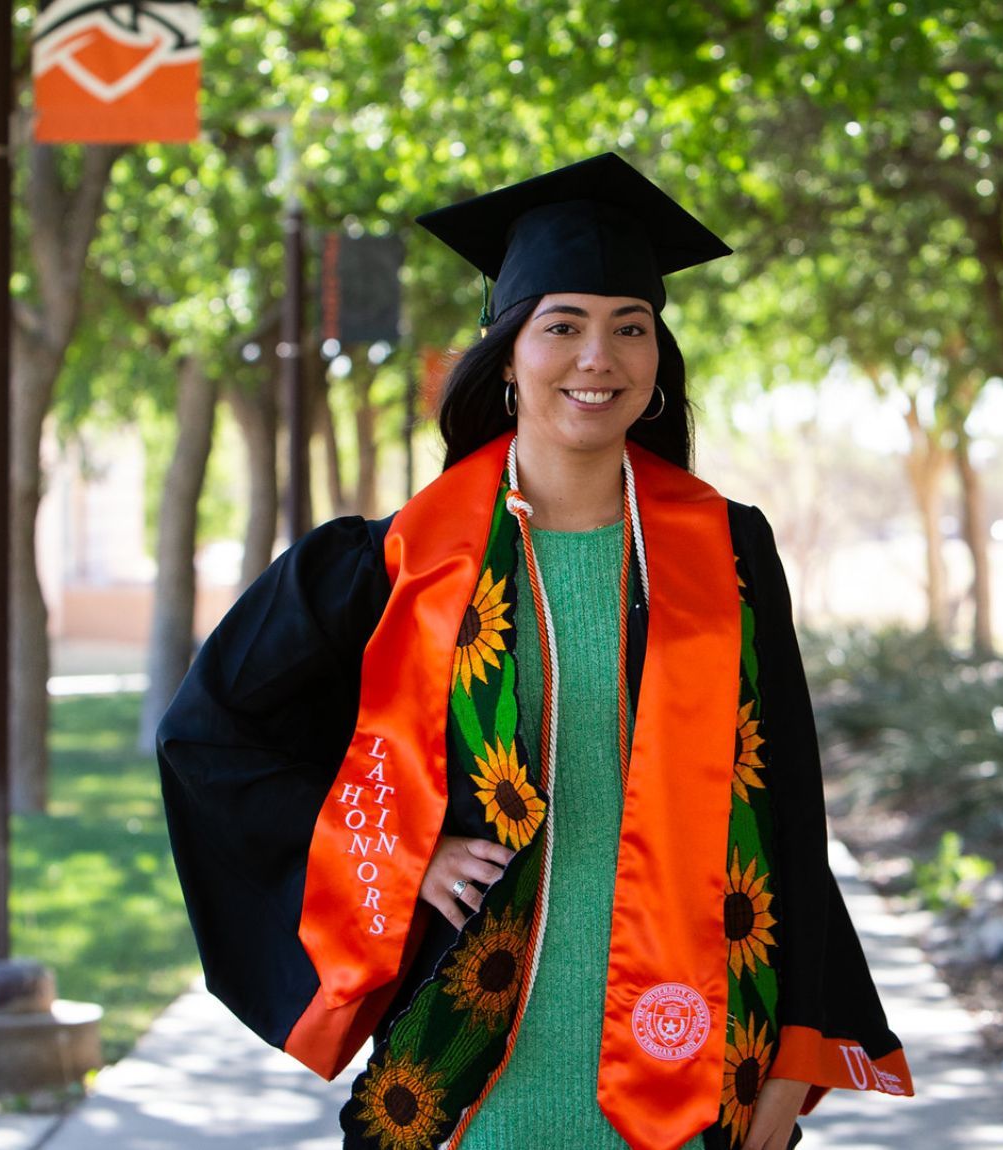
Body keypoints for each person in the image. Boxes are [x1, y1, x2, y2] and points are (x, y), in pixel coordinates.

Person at [156, 152, 912, 1150]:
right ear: (506, 355)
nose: (597, 358)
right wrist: (397, 844)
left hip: (694, 1057)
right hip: (469, 1065)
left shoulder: (726, 552)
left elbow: (787, 808)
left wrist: (796, 1051)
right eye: (562, 326)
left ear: (656, 360)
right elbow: (211, 739)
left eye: (628, 329)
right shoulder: (394, 566)